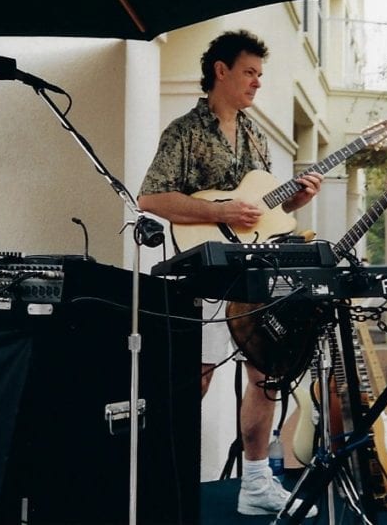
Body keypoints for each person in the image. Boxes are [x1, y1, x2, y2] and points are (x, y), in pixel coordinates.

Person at [138, 30, 322, 518]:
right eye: (250, 72)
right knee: (195, 375)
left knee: (264, 370)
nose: (258, 83)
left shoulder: (256, 134)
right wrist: (219, 213)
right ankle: (168, 481)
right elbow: (152, 198)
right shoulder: (185, 130)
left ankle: (257, 482)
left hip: (252, 269)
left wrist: (296, 200)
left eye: (261, 75)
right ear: (221, 70)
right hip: (204, 270)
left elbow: (260, 207)